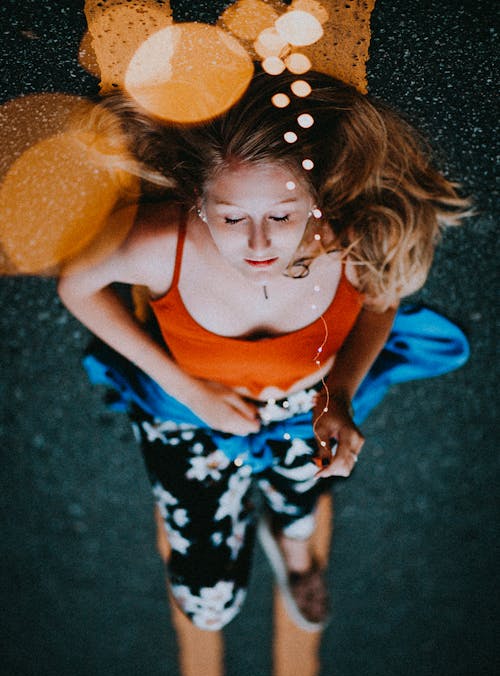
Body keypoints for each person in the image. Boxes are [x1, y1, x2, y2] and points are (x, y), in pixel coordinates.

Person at [58, 69, 468, 631]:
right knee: (207, 608)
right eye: (231, 217)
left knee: (306, 488)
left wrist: (339, 394)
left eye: (281, 215)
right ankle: (269, 520)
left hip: (309, 405)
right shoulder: (160, 243)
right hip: (188, 409)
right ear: (198, 200)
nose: (259, 244)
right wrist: (187, 389)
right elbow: (74, 285)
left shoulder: (352, 239)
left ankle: (293, 540)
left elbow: (382, 297)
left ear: (315, 197)